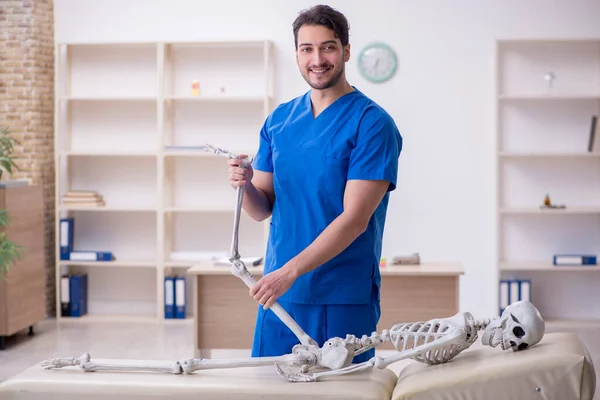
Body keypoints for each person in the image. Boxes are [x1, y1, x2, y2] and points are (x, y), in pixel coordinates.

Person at [227, 4, 402, 363]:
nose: (317, 59)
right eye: (307, 49)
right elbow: (262, 209)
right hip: (279, 296)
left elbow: (355, 220)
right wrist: (244, 185)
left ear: (346, 51)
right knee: (270, 389)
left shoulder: (372, 124)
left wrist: (288, 273)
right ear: (296, 55)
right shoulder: (278, 120)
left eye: (328, 47)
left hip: (340, 295)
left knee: (342, 391)